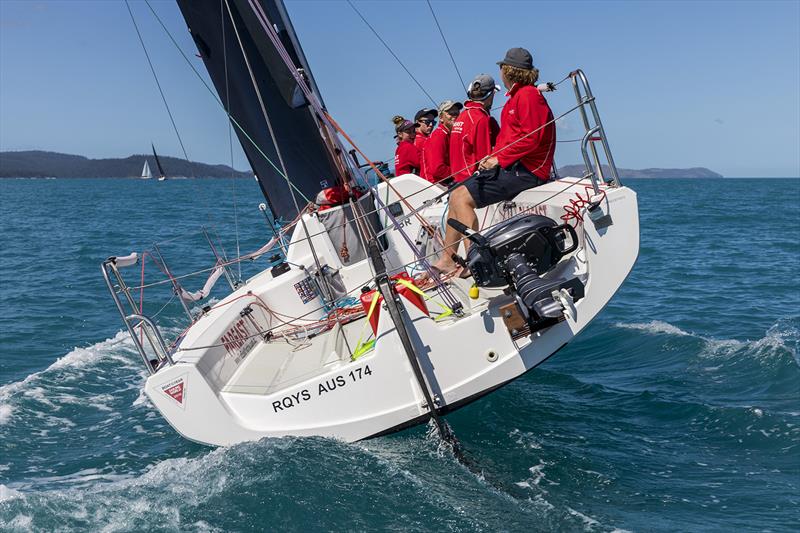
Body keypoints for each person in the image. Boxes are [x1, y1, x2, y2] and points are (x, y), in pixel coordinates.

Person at [431, 47, 556, 275]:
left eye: (501, 68)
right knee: (456, 195)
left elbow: (532, 137)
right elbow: (512, 138)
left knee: (461, 198)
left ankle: (476, 261)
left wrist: (499, 158)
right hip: (514, 166)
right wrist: (494, 156)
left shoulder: (527, 96)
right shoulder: (516, 98)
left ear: (508, 71)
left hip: (528, 170)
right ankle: (448, 259)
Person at [449, 74, 501, 184]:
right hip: (472, 182)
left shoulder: (462, 116)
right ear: (491, 94)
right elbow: (485, 160)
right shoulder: (480, 119)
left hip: (457, 181)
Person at [421, 100, 463, 184]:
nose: (454, 115)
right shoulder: (439, 135)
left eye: (457, 112)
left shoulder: (450, 134)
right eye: (450, 113)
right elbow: (437, 168)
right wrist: (460, 173)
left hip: (446, 181)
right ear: (441, 118)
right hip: (437, 185)